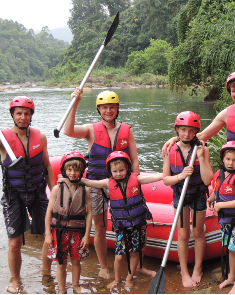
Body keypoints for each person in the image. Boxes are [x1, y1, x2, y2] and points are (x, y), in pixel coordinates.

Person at [162, 71, 235, 274]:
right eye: (233, 91)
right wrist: (177, 139)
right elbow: (200, 135)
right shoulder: (226, 114)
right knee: (233, 216)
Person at [0, 96, 54, 293]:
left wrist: (55, 192)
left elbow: (47, 165)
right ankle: (16, 280)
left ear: (31, 115)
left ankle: (46, 274)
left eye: (27, 113)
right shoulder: (2, 137)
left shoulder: (40, 137)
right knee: (14, 244)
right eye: (19, 113)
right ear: (12, 115)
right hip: (14, 195)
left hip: (37, 192)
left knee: (48, 237)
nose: (23, 117)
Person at [64, 88, 141, 279]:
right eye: (105, 107)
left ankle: (134, 265)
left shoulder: (126, 130)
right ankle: (104, 266)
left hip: (121, 186)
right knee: (99, 227)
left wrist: (136, 181)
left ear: (117, 108)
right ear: (99, 109)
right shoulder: (91, 130)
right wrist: (75, 104)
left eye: (112, 107)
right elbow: (68, 130)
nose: (109, 111)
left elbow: (135, 159)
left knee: (131, 224)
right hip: (97, 185)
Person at [80, 151, 162, 289]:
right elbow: (90, 182)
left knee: (135, 253)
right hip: (121, 227)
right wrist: (73, 178)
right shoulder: (108, 183)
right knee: (119, 256)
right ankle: (118, 280)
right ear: (110, 171)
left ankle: (129, 278)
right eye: (115, 171)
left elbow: (157, 177)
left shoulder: (137, 179)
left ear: (127, 168)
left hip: (137, 225)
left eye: (122, 170)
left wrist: (174, 173)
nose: (118, 174)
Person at [162, 111, 213, 287]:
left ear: (196, 131)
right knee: (183, 234)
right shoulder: (170, 150)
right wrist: (180, 176)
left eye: (191, 130)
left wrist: (200, 157)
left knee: (198, 233)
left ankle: (197, 268)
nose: (186, 134)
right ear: (177, 130)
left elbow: (207, 180)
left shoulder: (202, 149)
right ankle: (184, 271)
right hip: (180, 196)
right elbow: (166, 179)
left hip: (198, 194)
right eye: (183, 129)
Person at [44, 152, 92, 294]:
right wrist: (47, 233)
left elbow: (89, 214)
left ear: (81, 171)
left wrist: (87, 235)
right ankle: (62, 289)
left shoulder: (86, 190)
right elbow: (48, 213)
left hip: (77, 232)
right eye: (69, 170)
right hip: (59, 231)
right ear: (64, 171)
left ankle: (76, 286)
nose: (73, 173)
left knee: (76, 261)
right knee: (61, 263)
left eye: (76, 170)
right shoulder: (57, 189)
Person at [207, 141, 235, 294]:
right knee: (231, 250)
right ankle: (231, 277)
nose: (230, 163)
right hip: (226, 221)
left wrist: (221, 206)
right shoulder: (220, 174)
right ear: (222, 158)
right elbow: (217, 191)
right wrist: (211, 199)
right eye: (228, 159)